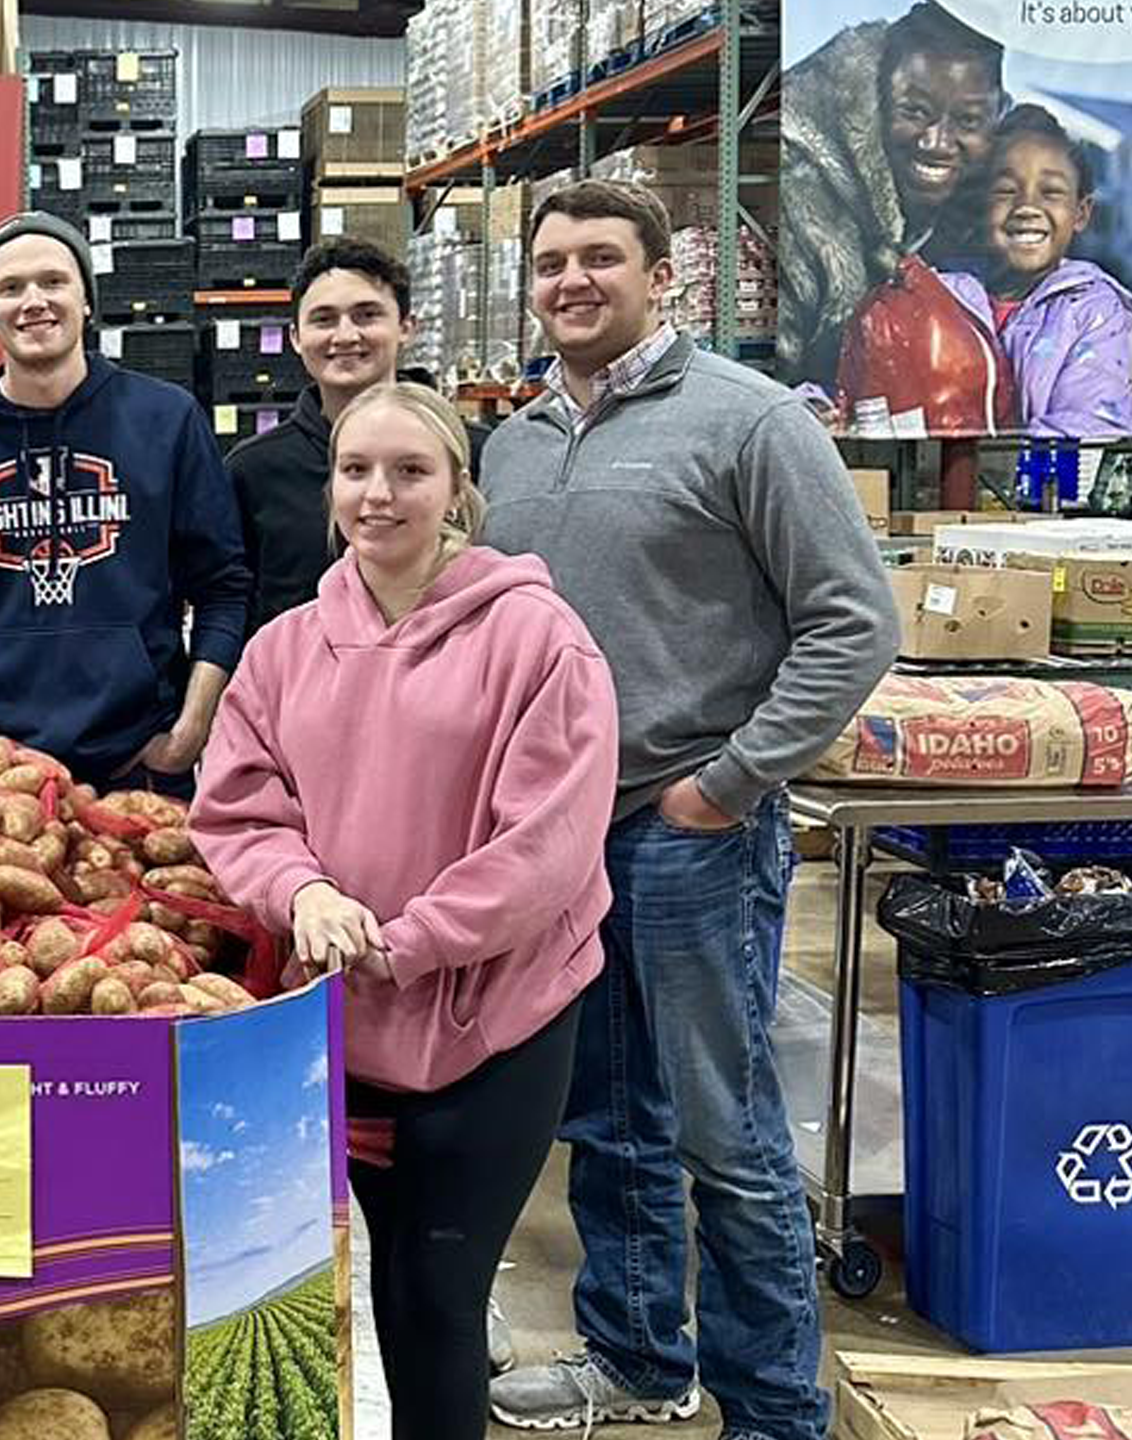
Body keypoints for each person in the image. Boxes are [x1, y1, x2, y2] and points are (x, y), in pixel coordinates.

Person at [480, 180, 895, 1440]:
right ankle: (638, 1362)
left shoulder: (749, 420)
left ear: (661, 274)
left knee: (725, 1132)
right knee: (604, 1121)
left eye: (600, 257)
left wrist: (728, 782)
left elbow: (853, 621)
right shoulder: (508, 443)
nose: (571, 281)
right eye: (550, 263)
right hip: (565, 838)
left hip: (690, 834)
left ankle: (775, 1407)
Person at [193, 382, 616, 1440]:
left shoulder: (537, 639)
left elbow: (548, 845)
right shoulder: (286, 647)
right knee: (299, 1294)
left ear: (458, 494)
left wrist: (411, 939)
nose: (377, 495)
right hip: (328, 1025)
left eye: (409, 472)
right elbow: (238, 804)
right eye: (354, 471)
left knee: (434, 1298)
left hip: (489, 1027)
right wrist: (306, 893)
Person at [0, 211, 251, 789]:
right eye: (10, 288)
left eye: (53, 281)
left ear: (87, 299)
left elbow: (223, 586)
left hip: (141, 766)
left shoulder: (165, 420)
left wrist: (192, 731)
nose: (33, 301)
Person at [226, 238, 489, 636]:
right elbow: (232, 607)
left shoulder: (473, 451)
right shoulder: (251, 471)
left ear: (406, 328)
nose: (345, 335)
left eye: (366, 315)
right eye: (324, 319)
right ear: (295, 337)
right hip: (302, 693)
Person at [779, 1, 1004, 387]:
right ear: (874, 106)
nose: (937, 142)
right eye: (915, 111)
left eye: (967, 120)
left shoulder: (996, 214)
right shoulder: (799, 198)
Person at [938, 105, 1132, 437]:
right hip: (930, 487)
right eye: (1005, 191)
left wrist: (989, 471)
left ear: (1081, 213)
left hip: (1043, 488)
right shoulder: (939, 298)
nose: (1027, 207)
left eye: (1051, 192)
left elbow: (1089, 424)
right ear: (979, 207)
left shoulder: (1094, 314)